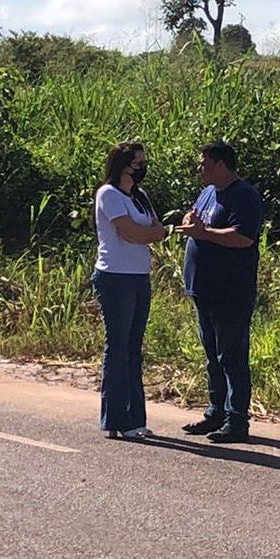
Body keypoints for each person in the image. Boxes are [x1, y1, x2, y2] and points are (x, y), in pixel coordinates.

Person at [176, 141, 265, 444]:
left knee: (232, 356)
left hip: (231, 291)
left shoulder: (244, 195)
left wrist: (205, 234)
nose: (199, 169)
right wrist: (191, 222)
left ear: (220, 164)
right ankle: (215, 411)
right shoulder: (207, 193)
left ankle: (236, 419)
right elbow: (198, 220)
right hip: (203, 288)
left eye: (203, 163)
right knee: (211, 355)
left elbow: (243, 237)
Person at [91, 141, 168, 440]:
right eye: (136, 163)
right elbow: (131, 233)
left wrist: (149, 235)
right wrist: (149, 235)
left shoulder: (140, 196)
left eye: (142, 162)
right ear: (122, 164)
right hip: (115, 278)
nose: (141, 168)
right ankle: (115, 418)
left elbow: (157, 231)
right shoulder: (108, 194)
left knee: (134, 348)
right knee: (118, 347)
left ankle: (135, 418)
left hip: (139, 276)